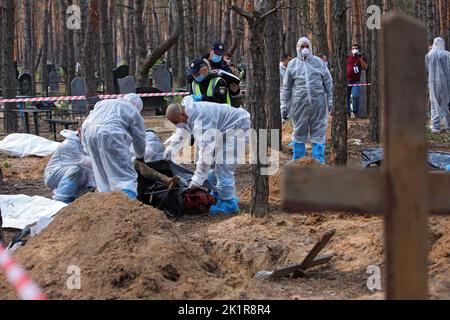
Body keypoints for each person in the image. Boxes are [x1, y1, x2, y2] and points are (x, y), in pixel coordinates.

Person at [164, 96, 250, 215]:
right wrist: (171, 149)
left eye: (176, 122)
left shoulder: (202, 119)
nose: (177, 125)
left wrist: (197, 180)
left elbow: (205, 153)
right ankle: (219, 194)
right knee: (214, 165)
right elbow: (182, 132)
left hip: (239, 127)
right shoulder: (188, 113)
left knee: (223, 166)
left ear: (183, 115)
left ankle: (229, 203)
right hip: (225, 130)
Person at [81, 93, 146, 200]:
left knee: (102, 178)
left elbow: (86, 124)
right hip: (111, 134)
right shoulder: (133, 110)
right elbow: (139, 137)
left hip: (89, 134)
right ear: (138, 107)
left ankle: (107, 207)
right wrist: (140, 157)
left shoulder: (103, 104)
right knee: (125, 178)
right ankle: (127, 206)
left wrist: (86, 148)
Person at [281, 37, 333, 164]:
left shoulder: (319, 62)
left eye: (307, 46)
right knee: (298, 132)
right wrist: (284, 106)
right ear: (298, 48)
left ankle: (318, 162)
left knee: (319, 132)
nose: (304, 49)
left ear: (310, 48)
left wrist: (331, 100)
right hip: (299, 105)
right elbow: (286, 87)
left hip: (318, 104)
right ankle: (299, 162)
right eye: (302, 46)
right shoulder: (293, 64)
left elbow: (328, 82)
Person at [44, 129, 96, 203]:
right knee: (75, 170)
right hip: (54, 175)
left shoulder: (84, 144)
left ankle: (74, 197)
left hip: (73, 174)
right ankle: (61, 200)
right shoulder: (69, 144)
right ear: (79, 131)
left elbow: (90, 168)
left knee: (85, 175)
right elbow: (84, 161)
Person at [426, 37, 450, 134]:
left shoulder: (428, 55)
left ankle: (436, 127)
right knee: (446, 104)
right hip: (446, 83)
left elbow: (426, 69)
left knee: (435, 105)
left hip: (433, 82)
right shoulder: (447, 54)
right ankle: (448, 126)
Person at [346, 44, 368, 117]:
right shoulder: (348, 57)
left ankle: (355, 111)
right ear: (351, 50)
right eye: (353, 48)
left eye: (356, 48)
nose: (354, 49)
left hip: (356, 81)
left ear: (358, 49)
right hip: (347, 80)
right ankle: (347, 112)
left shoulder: (360, 58)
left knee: (355, 96)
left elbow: (365, 67)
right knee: (347, 97)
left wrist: (360, 58)